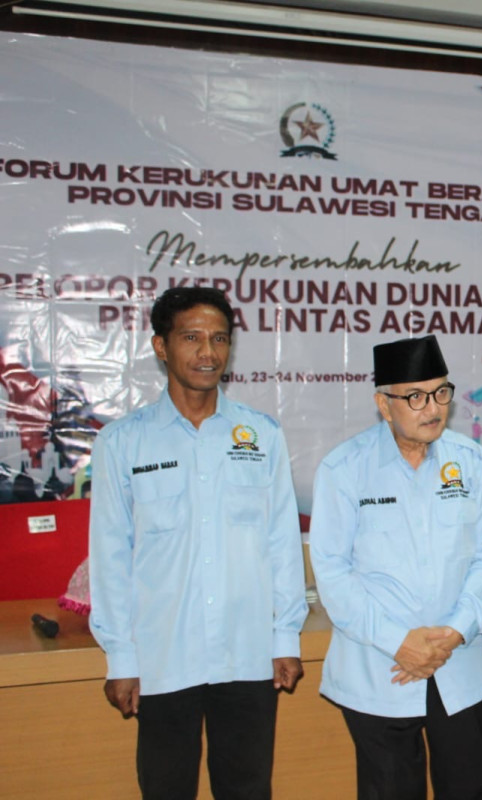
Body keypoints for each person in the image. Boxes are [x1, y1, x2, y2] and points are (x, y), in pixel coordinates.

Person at [88, 286, 307, 799]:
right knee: (166, 788)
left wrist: (285, 638)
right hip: (164, 657)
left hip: (246, 653)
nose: (208, 352)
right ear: (161, 347)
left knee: (248, 788)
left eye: (219, 339)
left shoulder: (261, 435)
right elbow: (111, 557)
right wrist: (121, 658)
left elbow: (281, 542)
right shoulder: (123, 442)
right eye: (191, 338)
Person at [308, 334, 482, 800]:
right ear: (384, 404)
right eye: (415, 397)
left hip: (459, 663)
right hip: (381, 666)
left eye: (441, 392)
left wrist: (455, 631)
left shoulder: (471, 461)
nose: (432, 407)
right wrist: (398, 642)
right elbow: (333, 572)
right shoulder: (344, 469)